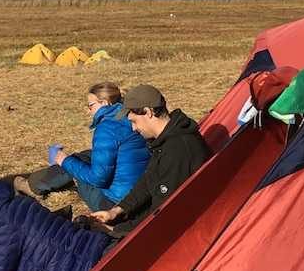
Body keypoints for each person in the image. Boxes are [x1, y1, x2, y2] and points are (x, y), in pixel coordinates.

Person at [81, 84, 209, 238]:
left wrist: (114, 231)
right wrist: (116, 211)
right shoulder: (165, 140)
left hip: (178, 234)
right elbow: (149, 180)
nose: (134, 129)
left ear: (148, 112)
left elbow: (162, 214)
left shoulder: (178, 150)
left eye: (134, 121)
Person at [18, 82, 149, 213]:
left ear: (104, 103)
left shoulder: (107, 128)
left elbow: (99, 179)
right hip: (139, 193)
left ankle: (34, 187)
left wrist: (65, 161)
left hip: (113, 204)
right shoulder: (131, 116)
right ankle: (40, 182)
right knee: (86, 155)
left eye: (91, 105)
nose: (88, 110)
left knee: (72, 163)